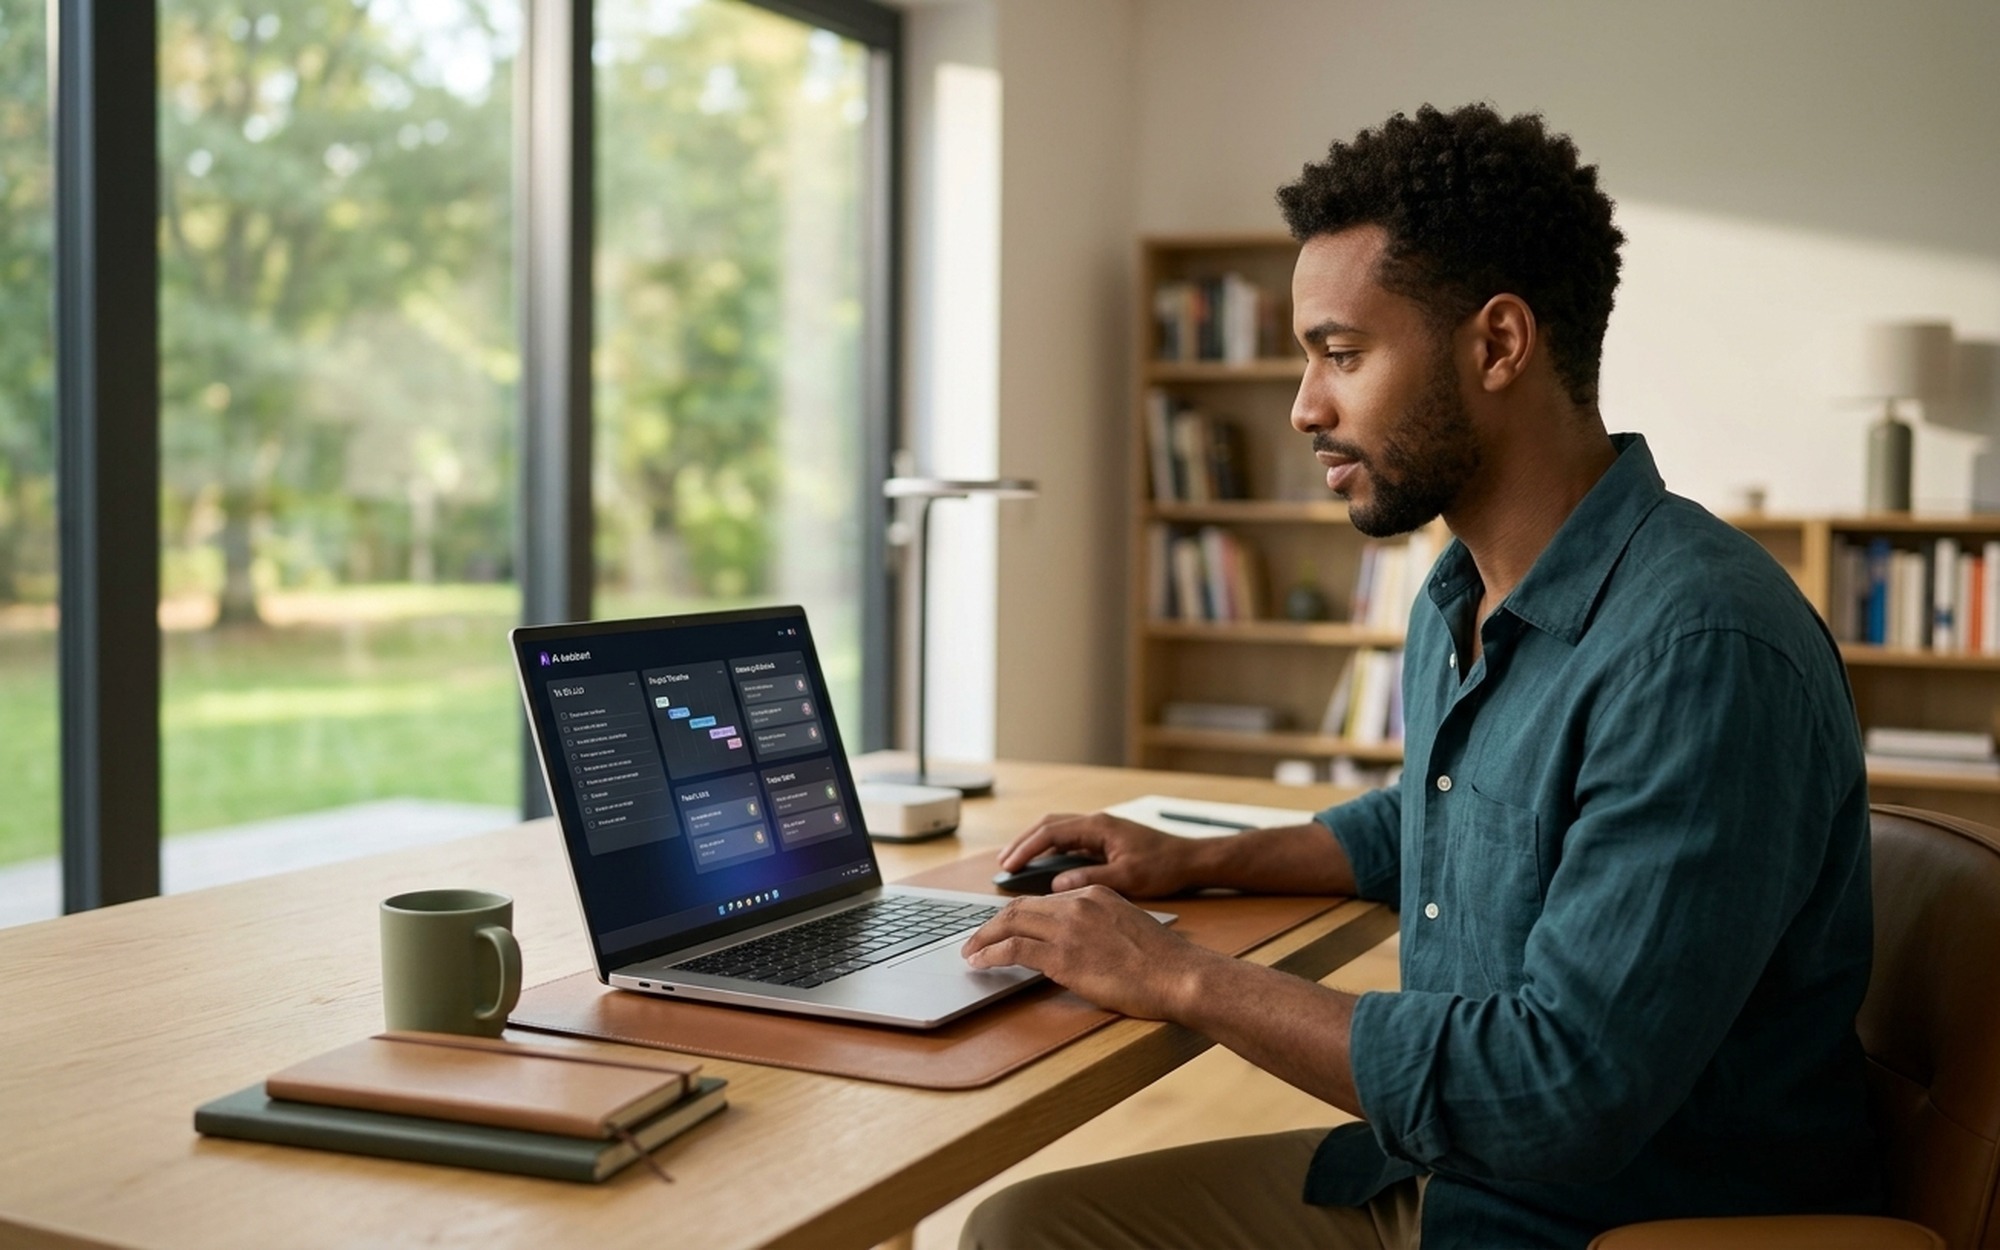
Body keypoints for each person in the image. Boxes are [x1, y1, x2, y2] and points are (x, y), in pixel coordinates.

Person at [957, 104, 1880, 1250]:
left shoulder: (1699, 651)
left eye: (1340, 354)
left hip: (1607, 1216)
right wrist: (1192, 860)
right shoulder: (1463, 589)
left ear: (1496, 345)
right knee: (1026, 1227)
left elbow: (1561, 1089)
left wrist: (1179, 976)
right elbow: (1438, 816)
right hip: (1445, 1172)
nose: (1303, 406)